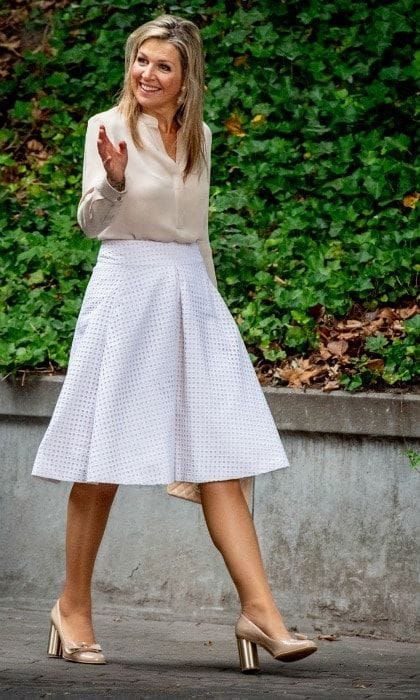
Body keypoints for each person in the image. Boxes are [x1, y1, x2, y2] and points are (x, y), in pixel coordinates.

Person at [31, 14, 317, 672]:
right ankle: (72, 607)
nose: (147, 74)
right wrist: (115, 181)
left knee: (220, 455)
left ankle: (261, 612)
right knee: (101, 460)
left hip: (191, 297)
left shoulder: (199, 137)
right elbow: (89, 222)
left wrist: (215, 310)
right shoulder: (106, 129)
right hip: (127, 293)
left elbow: (199, 234)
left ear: (187, 78)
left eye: (163, 65)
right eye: (140, 61)